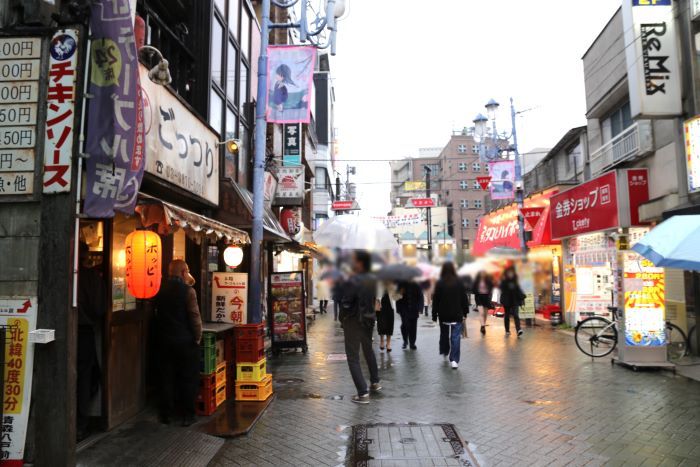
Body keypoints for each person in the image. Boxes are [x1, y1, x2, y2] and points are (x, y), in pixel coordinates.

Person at [154, 260, 203, 426]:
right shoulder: (188, 292)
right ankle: (187, 414)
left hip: (164, 340)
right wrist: (197, 337)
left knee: (166, 377)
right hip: (184, 341)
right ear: (183, 272)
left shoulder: (159, 289)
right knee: (188, 377)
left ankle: (166, 414)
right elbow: (194, 317)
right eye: (187, 271)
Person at [339, 251, 381, 404]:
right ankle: (375, 381)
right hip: (368, 321)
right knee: (368, 350)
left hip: (354, 321)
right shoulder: (372, 279)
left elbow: (346, 303)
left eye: (354, 260)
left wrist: (342, 318)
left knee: (353, 357)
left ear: (360, 262)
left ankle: (362, 393)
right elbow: (372, 300)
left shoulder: (353, 279)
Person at [76, 242, 106, 441]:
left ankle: (75, 424)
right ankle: (79, 425)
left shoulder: (68, 275)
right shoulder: (91, 278)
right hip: (85, 332)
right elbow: (99, 309)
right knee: (84, 378)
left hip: (64, 331)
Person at [432, 262, 469, 369]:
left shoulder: (440, 283)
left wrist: (434, 315)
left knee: (444, 334)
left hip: (443, 314)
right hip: (457, 314)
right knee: (455, 337)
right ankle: (454, 360)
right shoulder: (459, 282)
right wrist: (465, 312)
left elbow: (436, 301)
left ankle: (445, 350)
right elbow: (464, 298)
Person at [396, 280, 424, 350]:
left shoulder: (416, 284)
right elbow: (397, 297)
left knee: (413, 327)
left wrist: (420, 308)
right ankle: (405, 340)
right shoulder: (401, 283)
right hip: (404, 309)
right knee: (405, 325)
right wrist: (398, 309)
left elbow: (420, 296)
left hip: (414, 309)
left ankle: (412, 343)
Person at [499, 266, 526, 337]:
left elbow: (519, 290)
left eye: (511, 273)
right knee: (507, 315)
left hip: (514, 301)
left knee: (516, 315)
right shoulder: (504, 281)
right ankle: (507, 330)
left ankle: (518, 330)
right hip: (506, 301)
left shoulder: (515, 281)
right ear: (507, 273)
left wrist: (522, 298)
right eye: (509, 273)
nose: (510, 274)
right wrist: (503, 281)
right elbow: (501, 288)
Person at [377, 282, 398, 352]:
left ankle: (388, 343)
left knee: (390, 323)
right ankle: (382, 341)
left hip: (390, 304)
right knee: (381, 323)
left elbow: (397, 293)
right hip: (380, 303)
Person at [472, 271, 494, 336]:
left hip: (486, 297)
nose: (482, 274)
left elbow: (491, 289)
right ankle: (483, 326)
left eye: (484, 273)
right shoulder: (476, 281)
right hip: (479, 298)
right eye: (481, 273)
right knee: (481, 313)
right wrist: (477, 290)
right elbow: (473, 289)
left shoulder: (489, 280)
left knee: (485, 314)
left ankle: (483, 325)